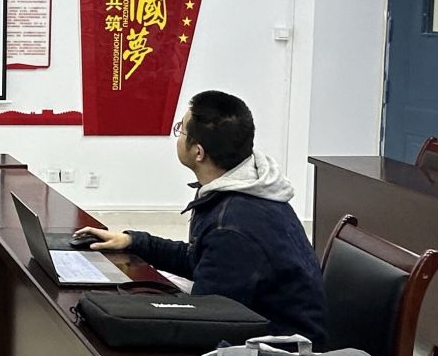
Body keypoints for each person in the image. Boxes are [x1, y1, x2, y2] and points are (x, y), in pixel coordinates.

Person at [76, 90, 327, 342]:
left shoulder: (233, 226)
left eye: (181, 130)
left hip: (279, 354)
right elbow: (200, 260)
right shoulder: (246, 192)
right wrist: (133, 241)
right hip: (258, 329)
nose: (177, 135)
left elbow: (205, 322)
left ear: (198, 152)